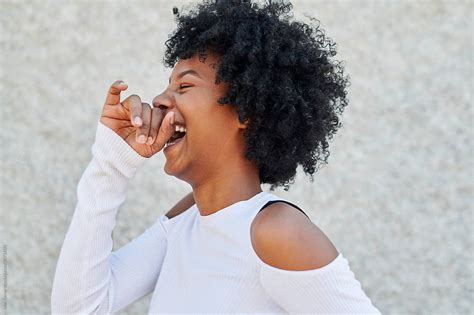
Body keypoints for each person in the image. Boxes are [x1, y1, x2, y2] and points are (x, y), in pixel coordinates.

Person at [51, 0, 381, 313]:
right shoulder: (187, 220)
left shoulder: (276, 232)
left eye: (184, 87)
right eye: (167, 87)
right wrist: (113, 163)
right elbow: (78, 308)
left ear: (245, 111)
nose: (160, 100)